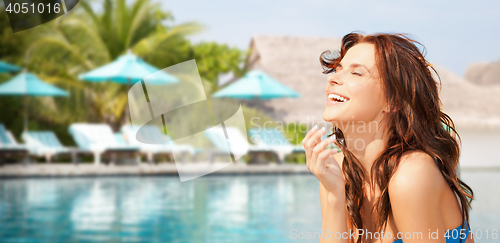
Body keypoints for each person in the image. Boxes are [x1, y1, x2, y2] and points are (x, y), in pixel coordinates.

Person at [302, 32, 474, 243]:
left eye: (356, 73)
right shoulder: (337, 172)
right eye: (338, 69)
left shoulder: (411, 174)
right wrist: (335, 195)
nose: (332, 78)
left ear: (393, 102)